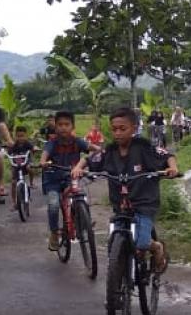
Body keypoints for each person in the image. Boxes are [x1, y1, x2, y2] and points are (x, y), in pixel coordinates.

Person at [73, 107, 179, 273]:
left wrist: (172, 169)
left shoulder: (144, 147)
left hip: (143, 204)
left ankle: (156, 247)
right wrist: (78, 168)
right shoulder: (109, 151)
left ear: (134, 128)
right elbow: (89, 159)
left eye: (123, 129)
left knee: (142, 242)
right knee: (114, 244)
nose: (118, 133)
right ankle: (119, 279)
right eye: (114, 129)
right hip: (120, 206)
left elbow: (167, 156)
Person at [39, 110, 92, 251]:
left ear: (72, 126)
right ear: (55, 127)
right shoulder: (52, 143)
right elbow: (44, 155)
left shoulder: (78, 141)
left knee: (83, 196)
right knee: (54, 204)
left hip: (71, 178)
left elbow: (95, 150)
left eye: (67, 124)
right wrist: (43, 162)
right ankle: (54, 233)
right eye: (60, 124)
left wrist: (92, 157)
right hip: (53, 180)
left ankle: (83, 222)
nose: (63, 127)